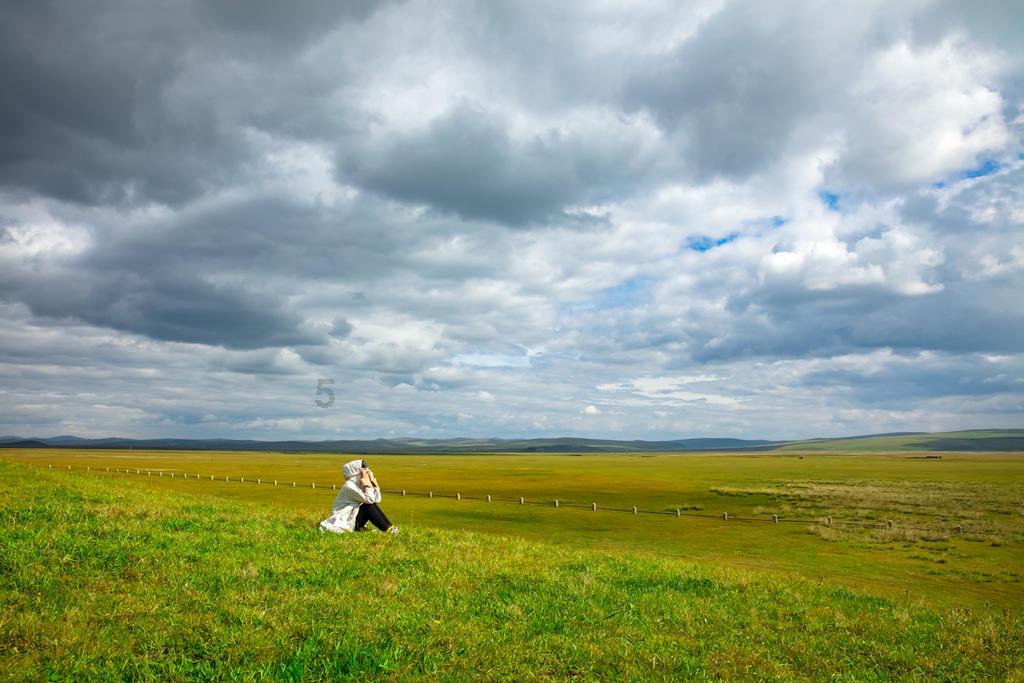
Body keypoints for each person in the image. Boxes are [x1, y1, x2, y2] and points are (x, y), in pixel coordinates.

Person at [319, 459, 398, 534]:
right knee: (368, 506)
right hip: (345, 521)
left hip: (352, 518)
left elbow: (377, 500)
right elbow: (370, 500)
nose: (367, 473)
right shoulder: (349, 486)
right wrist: (367, 483)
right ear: (357, 473)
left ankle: (389, 528)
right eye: (365, 471)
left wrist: (374, 483)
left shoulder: (358, 484)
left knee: (369, 505)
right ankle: (388, 530)